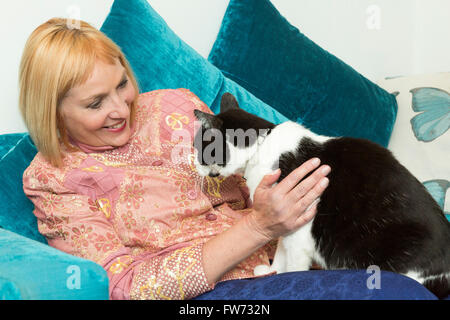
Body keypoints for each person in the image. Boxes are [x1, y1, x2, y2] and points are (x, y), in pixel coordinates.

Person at [19, 18, 330, 300]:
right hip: (213, 295)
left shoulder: (175, 104)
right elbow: (125, 290)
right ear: (54, 113)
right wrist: (258, 227)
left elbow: (256, 180)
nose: (121, 109)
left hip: (295, 260)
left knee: (376, 282)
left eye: (122, 84)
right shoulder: (53, 179)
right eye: (95, 103)